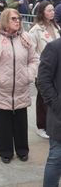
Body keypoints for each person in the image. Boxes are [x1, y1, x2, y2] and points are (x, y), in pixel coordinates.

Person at [0, 8, 38, 164]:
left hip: (21, 88)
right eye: (13, 18)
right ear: (5, 20)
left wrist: (29, 75)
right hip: (1, 89)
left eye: (18, 18)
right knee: (3, 123)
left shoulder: (26, 38)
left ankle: (22, 150)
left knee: (21, 122)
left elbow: (34, 59)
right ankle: (5, 152)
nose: (17, 21)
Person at [28, 1, 60, 139]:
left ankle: (52, 124)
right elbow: (31, 50)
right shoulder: (35, 30)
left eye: (53, 10)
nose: (52, 13)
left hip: (56, 68)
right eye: (49, 10)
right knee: (42, 99)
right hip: (43, 68)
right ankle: (42, 126)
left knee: (54, 96)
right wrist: (43, 60)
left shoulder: (56, 27)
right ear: (42, 12)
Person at [37, 38, 61, 187]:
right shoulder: (55, 47)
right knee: (56, 158)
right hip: (59, 116)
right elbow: (43, 80)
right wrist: (56, 104)